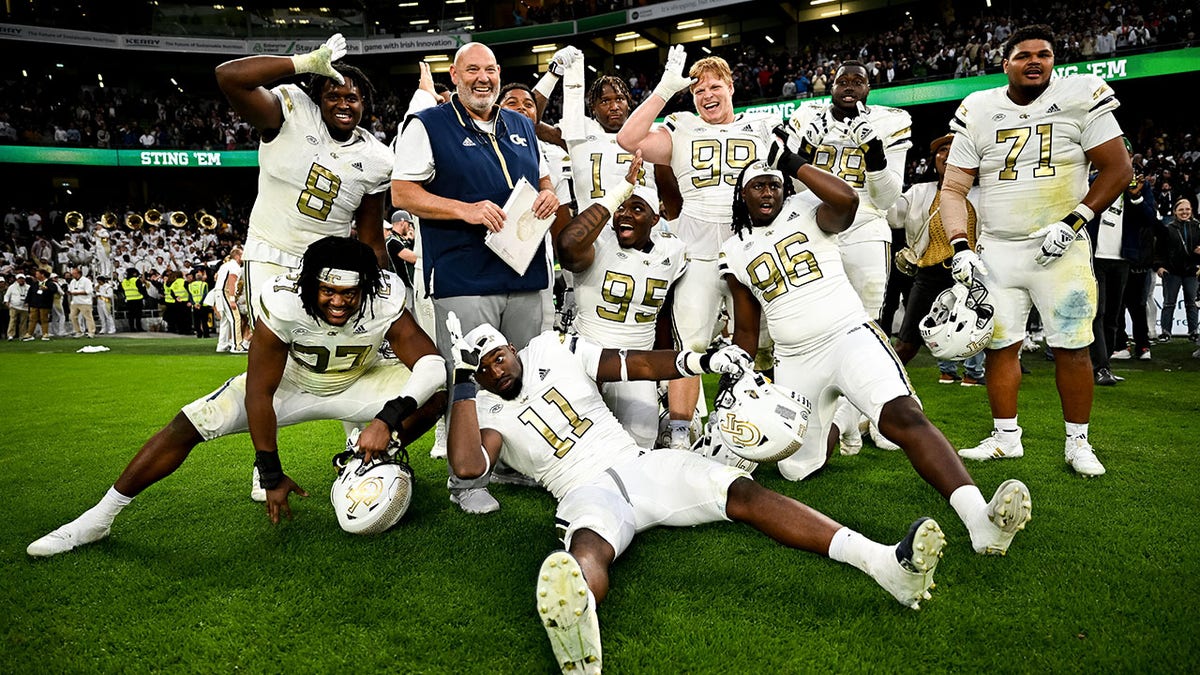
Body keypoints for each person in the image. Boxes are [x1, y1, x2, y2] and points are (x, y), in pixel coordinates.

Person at [444, 317, 947, 675]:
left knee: (742, 492)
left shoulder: (550, 348)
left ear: (513, 348)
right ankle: (577, 627)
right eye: (483, 368)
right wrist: (463, 385)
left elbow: (630, 363)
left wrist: (698, 358)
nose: (497, 372)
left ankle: (884, 563)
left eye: (499, 358)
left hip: (639, 463)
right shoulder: (480, 404)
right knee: (586, 552)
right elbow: (469, 468)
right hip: (581, 488)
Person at [27, 237, 448, 558]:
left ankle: (357, 462)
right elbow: (260, 392)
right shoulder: (284, 301)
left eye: (348, 294)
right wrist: (270, 472)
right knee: (186, 426)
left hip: (360, 382)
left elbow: (430, 364)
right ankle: (96, 519)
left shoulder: (383, 295)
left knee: (435, 394)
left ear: (366, 288)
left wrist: (387, 418)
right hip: (292, 385)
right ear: (307, 285)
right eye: (326, 291)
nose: (337, 302)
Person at [719, 158, 1030, 561]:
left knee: (903, 417)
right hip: (795, 359)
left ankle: (979, 520)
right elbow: (746, 329)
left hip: (848, 335)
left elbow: (847, 200)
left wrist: (794, 164)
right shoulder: (732, 250)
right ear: (741, 195)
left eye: (774, 185)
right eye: (758, 186)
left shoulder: (806, 211)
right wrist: (736, 374)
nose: (768, 192)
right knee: (796, 467)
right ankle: (847, 418)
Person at [940, 24, 1133, 477]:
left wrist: (1074, 221)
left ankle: (1078, 442)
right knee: (1000, 345)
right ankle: (1006, 437)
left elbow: (1118, 168)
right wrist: (961, 247)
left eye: (1044, 54)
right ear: (1005, 62)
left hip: (1059, 249)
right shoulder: (980, 108)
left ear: (1053, 61)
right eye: (1024, 54)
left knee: (1073, 346)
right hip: (998, 249)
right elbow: (953, 188)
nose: (1035, 61)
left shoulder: (1081, 95)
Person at [391, 41, 560, 515]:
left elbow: (543, 178)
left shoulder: (522, 124)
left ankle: (515, 463)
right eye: (472, 70)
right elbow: (402, 190)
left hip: (525, 270)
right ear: (454, 74)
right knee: (468, 377)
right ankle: (467, 480)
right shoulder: (428, 124)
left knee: (525, 375)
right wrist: (464, 210)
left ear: (499, 73)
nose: (482, 78)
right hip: (463, 274)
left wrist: (547, 195)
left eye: (489, 69)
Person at [616, 46, 777, 450]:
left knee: (766, 343)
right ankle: (682, 431)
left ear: (731, 86)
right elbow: (627, 138)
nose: (707, 94)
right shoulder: (682, 127)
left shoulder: (762, 128)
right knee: (690, 344)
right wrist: (665, 89)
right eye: (698, 89)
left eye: (714, 85)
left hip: (751, 248)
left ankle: (748, 422)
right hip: (697, 248)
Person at [215, 33, 393, 326]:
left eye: (352, 98)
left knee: (319, 354)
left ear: (365, 103)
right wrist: (304, 63)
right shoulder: (291, 113)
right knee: (272, 342)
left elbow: (371, 238)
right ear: (317, 100)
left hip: (328, 267)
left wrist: (382, 288)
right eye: (332, 96)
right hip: (269, 253)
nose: (343, 104)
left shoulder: (378, 159)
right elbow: (228, 76)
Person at [787, 60, 913, 452]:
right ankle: (831, 416)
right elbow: (788, 183)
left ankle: (861, 415)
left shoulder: (891, 121)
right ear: (832, 85)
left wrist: (873, 150)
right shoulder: (807, 114)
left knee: (868, 323)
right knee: (812, 322)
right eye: (843, 79)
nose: (850, 86)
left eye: (859, 81)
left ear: (869, 89)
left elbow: (888, 199)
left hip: (865, 225)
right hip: (813, 224)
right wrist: (807, 145)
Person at [555, 154, 688, 447]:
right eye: (621, 209)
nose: (624, 214)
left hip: (636, 362)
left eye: (636, 209)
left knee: (641, 442)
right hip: (586, 357)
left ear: (655, 219)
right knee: (573, 444)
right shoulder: (599, 242)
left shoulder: (673, 251)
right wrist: (619, 192)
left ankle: (667, 418)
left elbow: (668, 315)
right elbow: (566, 245)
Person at [890, 134, 985, 388]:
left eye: (956, 150)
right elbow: (892, 216)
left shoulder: (984, 193)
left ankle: (975, 376)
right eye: (942, 150)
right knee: (907, 340)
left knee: (980, 333)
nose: (948, 155)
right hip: (929, 273)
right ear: (934, 161)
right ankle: (886, 383)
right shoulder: (920, 192)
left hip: (971, 274)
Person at [1086, 139, 1158, 385]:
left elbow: (1150, 220)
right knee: (1098, 312)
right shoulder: (1093, 181)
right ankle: (1100, 367)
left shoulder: (1139, 186)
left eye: (1126, 153)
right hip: (1095, 256)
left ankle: (1103, 365)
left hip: (1123, 257)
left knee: (1113, 316)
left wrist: (1136, 198)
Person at [1154, 198, 1200, 342]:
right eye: (1181, 210)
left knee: (1192, 303)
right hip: (1171, 271)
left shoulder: (1198, 227)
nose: (1184, 212)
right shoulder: (1167, 229)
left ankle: (1193, 332)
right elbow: (1159, 250)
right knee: (1169, 303)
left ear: (1191, 210)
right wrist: (1159, 266)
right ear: (1175, 212)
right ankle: (1166, 332)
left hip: (1192, 271)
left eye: (1187, 209)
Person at [213, 247, 245, 353]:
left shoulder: (225, 265)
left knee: (225, 320)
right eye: (242, 255)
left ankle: (222, 345)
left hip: (218, 291)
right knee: (236, 318)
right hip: (225, 292)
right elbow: (231, 280)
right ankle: (237, 346)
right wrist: (232, 299)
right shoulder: (235, 266)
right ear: (237, 256)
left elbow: (216, 277)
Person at [25, 268, 55, 340]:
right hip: (34, 304)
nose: (36, 275)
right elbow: (30, 293)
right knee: (32, 319)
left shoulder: (50, 283)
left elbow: (54, 290)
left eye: (37, 274)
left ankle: (45, 334)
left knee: (44, 319)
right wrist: (27, 301)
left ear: (42, 274)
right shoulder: (34, 284)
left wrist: (47, 289)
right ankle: (29, 334)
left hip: (44, 305)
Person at [66, 267, 96, 338]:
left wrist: (77, 293)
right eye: (72, 274)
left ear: (79, 274)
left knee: (88, 317)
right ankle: (78, 331)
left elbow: (88, 291)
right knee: (72, 317)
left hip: (85, 302)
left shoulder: (86, 281)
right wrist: (70, 293)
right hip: (75, 302)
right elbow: (70, 290)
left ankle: (91, 332)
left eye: (74, 273)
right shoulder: (72, 281)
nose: (72, 275)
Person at [120, 267, 147, 332]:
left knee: (131, 315)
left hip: (129, 300)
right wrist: (145, 295)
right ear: (134, 273)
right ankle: (139, 327)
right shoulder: (136, 280)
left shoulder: (124, 281)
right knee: (138, 315)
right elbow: (141, 289)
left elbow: (121, 290)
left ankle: (132, 328)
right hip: (137, 299)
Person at [189, 267, 212, 339]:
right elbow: (205, 294)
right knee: (204, 321)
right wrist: (200, 303)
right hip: (203, 305)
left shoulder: (190, 285)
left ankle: (199, 334)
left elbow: (190, 296)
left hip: (195, 305)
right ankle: (206, 334)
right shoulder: (204, 284)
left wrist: (194, 304)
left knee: (196, 321)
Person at [4, 272, 29, 340]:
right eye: (19, 279)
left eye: (22, 279)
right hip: (14, 306)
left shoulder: (28, 287)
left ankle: (22, 335)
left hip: (24, 307)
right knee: (12, 321)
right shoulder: (12, 287)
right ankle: (10, 335)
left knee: (23, 322)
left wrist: (29, 302)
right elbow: (7, 295)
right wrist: (6, 302)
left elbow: (30, 296)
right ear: (17, 280)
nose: (21, 280)